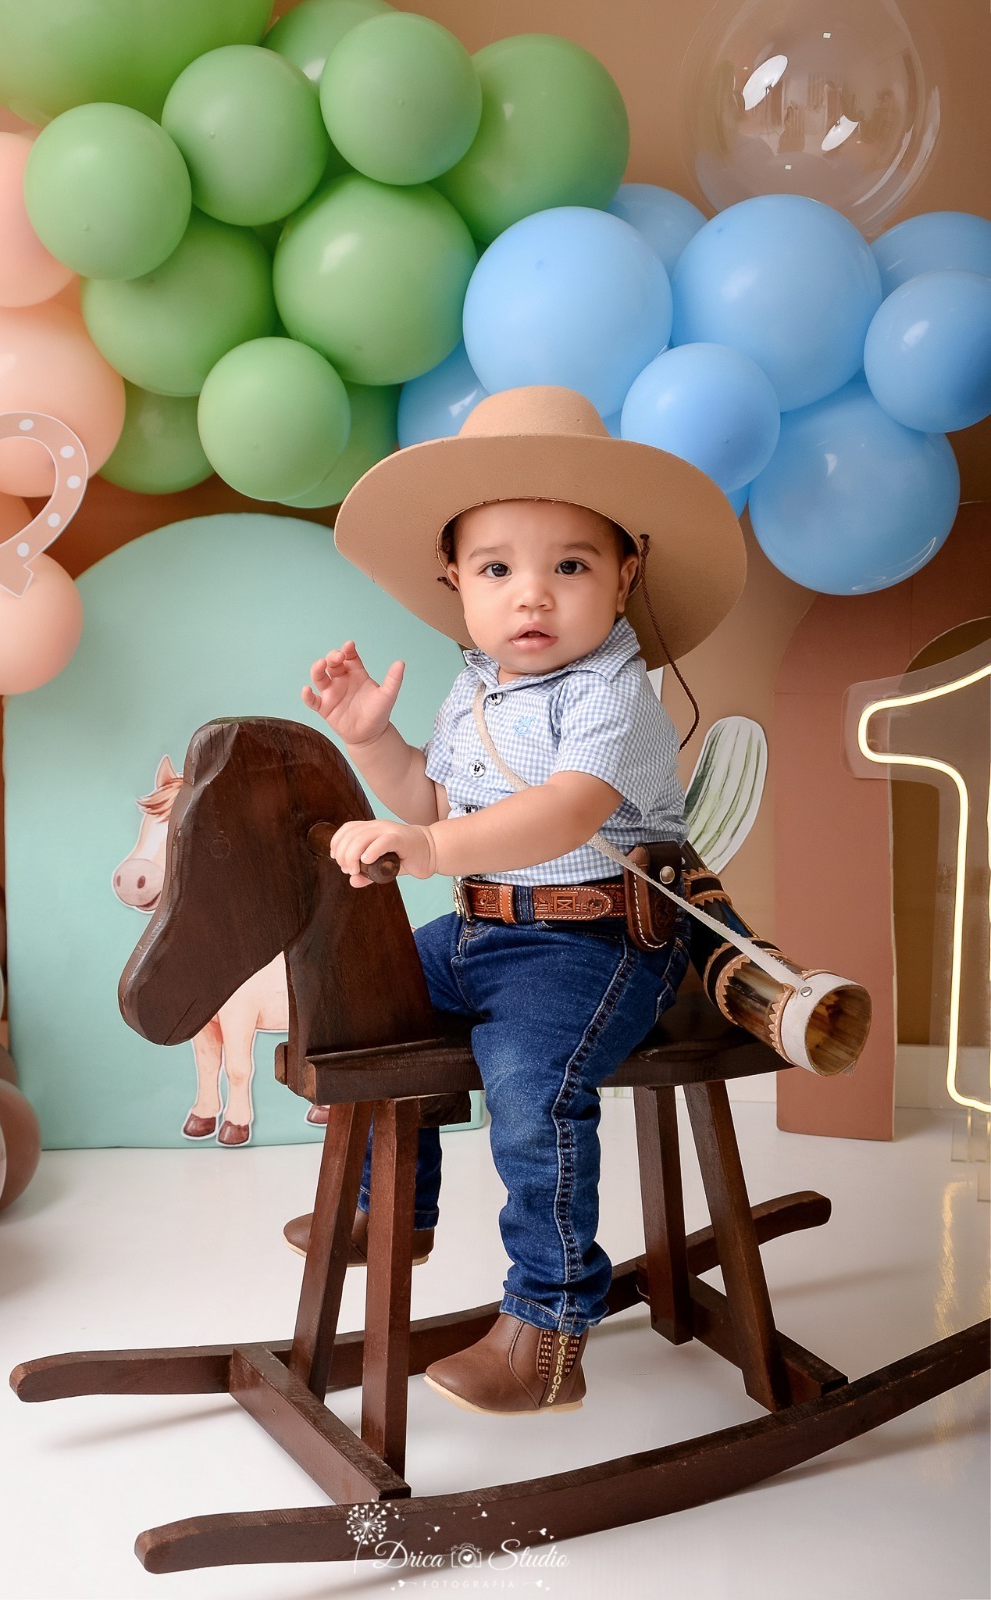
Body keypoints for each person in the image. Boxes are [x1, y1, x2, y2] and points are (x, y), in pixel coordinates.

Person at [283, 385, 745, 1416]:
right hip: (482, 928)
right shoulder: (476, 688)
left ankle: (548, 1328)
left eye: (569, 567)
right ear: (454, 580)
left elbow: (564, 814)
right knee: (369, 996)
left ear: (625, 575)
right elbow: (432, 800)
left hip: (592, 945)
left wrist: (429, 846)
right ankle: (392, 1209)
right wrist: (374, 740)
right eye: (497, 569)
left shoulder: (614, 693)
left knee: (533, 1094)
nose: (531, 596)